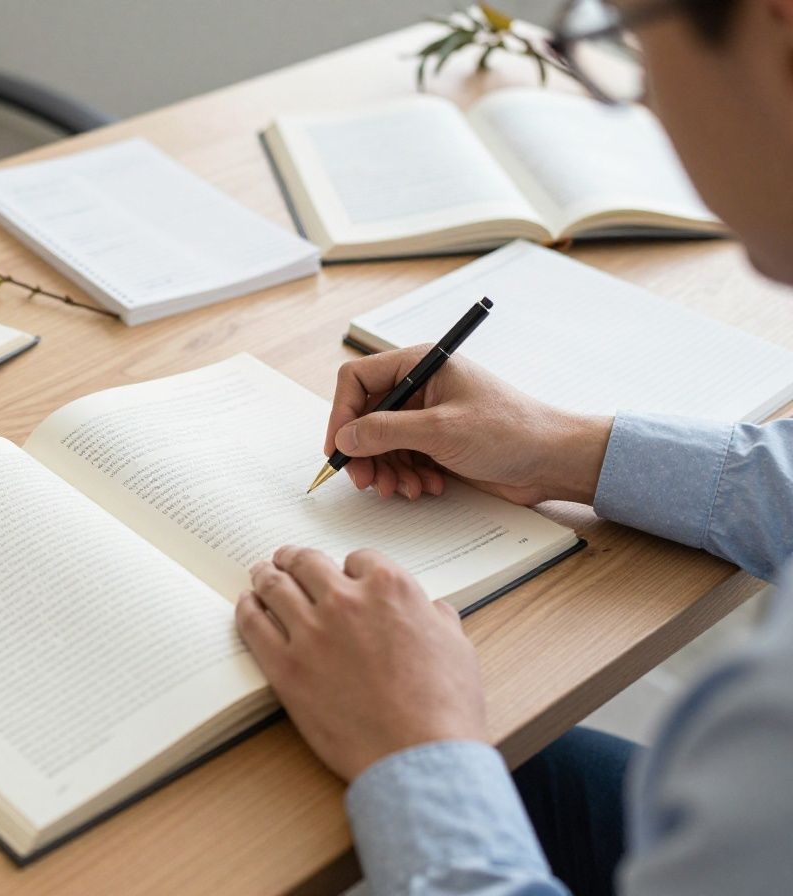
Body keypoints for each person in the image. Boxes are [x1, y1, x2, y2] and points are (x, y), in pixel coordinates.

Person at [233, 1, 793, 893]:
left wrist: (419, 742)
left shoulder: (767, 733)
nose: (645, 103)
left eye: (633, 51)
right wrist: (563, 448)